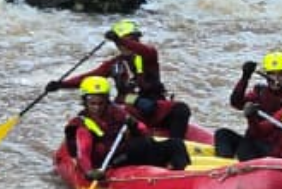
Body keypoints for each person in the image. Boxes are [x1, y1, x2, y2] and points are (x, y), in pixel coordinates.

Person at [48, 20, 192, 139]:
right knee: (122, 114)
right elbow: (89, 78)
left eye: (132, 40)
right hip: (129, 109)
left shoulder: (148, 55)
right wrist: (61, 84)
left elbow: (143, 50)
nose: (127, 45)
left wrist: (119, 38)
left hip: (154, 106)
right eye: (123, 42)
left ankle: (177, 145)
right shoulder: (114, 64)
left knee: (181, 109)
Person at [64, 76, 190, 181]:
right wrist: (89, 173)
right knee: (138, 145)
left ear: (106, 101)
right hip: (109, 163)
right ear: (85, 103)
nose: (97, 108)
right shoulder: (82, 124)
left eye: (100, 103)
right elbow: (83, 154)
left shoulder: (117, 112)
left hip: (128, 153)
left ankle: (179, 176)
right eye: (92, 103)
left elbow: (144, 131)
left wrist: (134, 125)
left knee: (176, 144)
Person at [214, 51, 282, 160]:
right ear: (266, 75)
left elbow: (263, 129)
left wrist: (251, 117)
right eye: (272, 74)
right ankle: (223, 165)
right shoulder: (260, 91)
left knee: (248, 145)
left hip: (271, 148)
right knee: (222, 134)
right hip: (252, 141)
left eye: (280, 74)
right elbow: (236, 103)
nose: (276, 78)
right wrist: (245, 77)